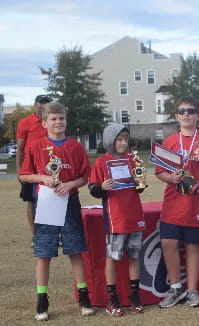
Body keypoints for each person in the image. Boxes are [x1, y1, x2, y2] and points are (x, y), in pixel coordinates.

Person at [18, 102, 94, 321]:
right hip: (46, 203)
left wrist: (70, 185)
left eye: (61, 118)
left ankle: (83, 295)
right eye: (53, 119)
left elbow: (85, 176)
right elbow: (24, 175)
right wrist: (42, 178)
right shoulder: (36, 146)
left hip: (69, 202)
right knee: (44, 253)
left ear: (66, 121)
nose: (58, 122)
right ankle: (42, 299)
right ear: (44, 123)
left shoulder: (75, 147)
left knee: (75, 250)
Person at [156, 96, 199, 308]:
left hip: (198, 204)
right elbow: (160, 172)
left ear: (198, 115)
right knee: (168, 243)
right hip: (173, 203)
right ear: (177, 116)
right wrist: (172, 178)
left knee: (193, 246)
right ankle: (176, 288)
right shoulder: (169, 141)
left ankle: (193, 291)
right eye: (182, 111)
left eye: (191, 110)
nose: (187, 114)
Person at [88, 123, 146, 316]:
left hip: (134, 216)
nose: (123, 143)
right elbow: (93, 189)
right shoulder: (101, 162)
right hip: (116, 219)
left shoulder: (133, 159)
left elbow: (139, 186)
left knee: (134, 257)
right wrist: (102, 187)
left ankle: (134, 297)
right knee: (112, 258)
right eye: (119, 139)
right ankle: (112, 299)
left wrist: (140, 183)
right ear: (110, 141)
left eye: (125, 139)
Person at [16, 95, 51, 245]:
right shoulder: (25, 122)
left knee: (52, 200)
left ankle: (53, 233)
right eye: (40, 103)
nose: (42, 106)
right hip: (30, 169)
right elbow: (20, 147)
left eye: (46, 104)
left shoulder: (52, 121)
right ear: (35, 105)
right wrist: (19, 169)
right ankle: (35, 235)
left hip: (50, 168)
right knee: (31, 201)